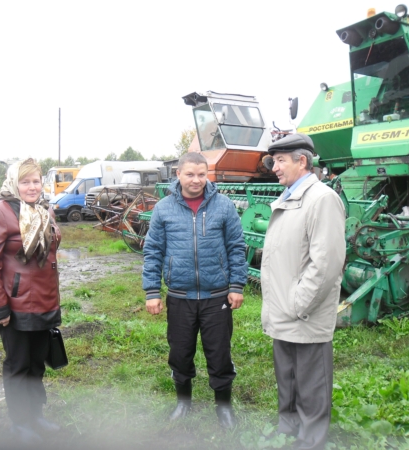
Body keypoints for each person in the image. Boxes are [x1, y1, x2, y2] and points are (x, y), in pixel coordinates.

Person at [142, 152, 248, 428]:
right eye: (190, 174)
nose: (196, 180)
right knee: (180, 352)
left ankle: (224, 407)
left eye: (202, 174)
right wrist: (152, 291)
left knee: (219, 353)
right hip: (180, 297)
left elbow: (236, 247)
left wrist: (236, 285)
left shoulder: (223, 206)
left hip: (217, 297)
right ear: (177, 174)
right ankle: (183, 402)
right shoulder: (164, 208)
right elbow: (153, 251)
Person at [260, 134, 346, 450]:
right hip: (284, 309)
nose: (275, 168)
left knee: (311, 382)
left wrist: (298, 303)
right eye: (274, 161)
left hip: (302, 311)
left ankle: (311, 440)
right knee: (288, 377)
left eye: (281, 160)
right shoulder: (288, 197)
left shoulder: (321, 199)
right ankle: (289, 427)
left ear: (302, 161)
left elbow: (326, 263)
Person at [0, 158, 62, 445]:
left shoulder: (44, 210)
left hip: (45, 302)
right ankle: (19, 422)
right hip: (16, 306)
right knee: (19, 365)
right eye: (25, 181)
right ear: (14, 183)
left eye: (36, 180)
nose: (32, 186)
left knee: (37, 363)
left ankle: (36, 414)